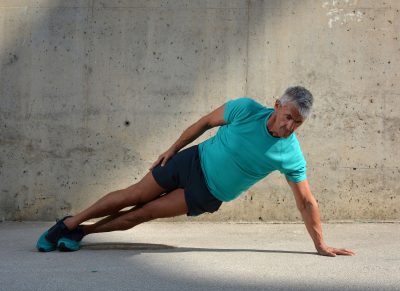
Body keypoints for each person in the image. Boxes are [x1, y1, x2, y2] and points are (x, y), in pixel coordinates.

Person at [36, 86, 355, 257]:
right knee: (134, 194)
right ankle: (69, 223)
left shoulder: (291, 154)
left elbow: (306, 202)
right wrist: (173, 149)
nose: (289, 126)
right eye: (288, 116)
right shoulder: (245, 109)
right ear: (276, 105)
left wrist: (320, 244)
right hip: (190, 161)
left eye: (298, 122)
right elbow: (205, 123)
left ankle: (83, 233)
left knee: (142, 214)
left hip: (206, 192)